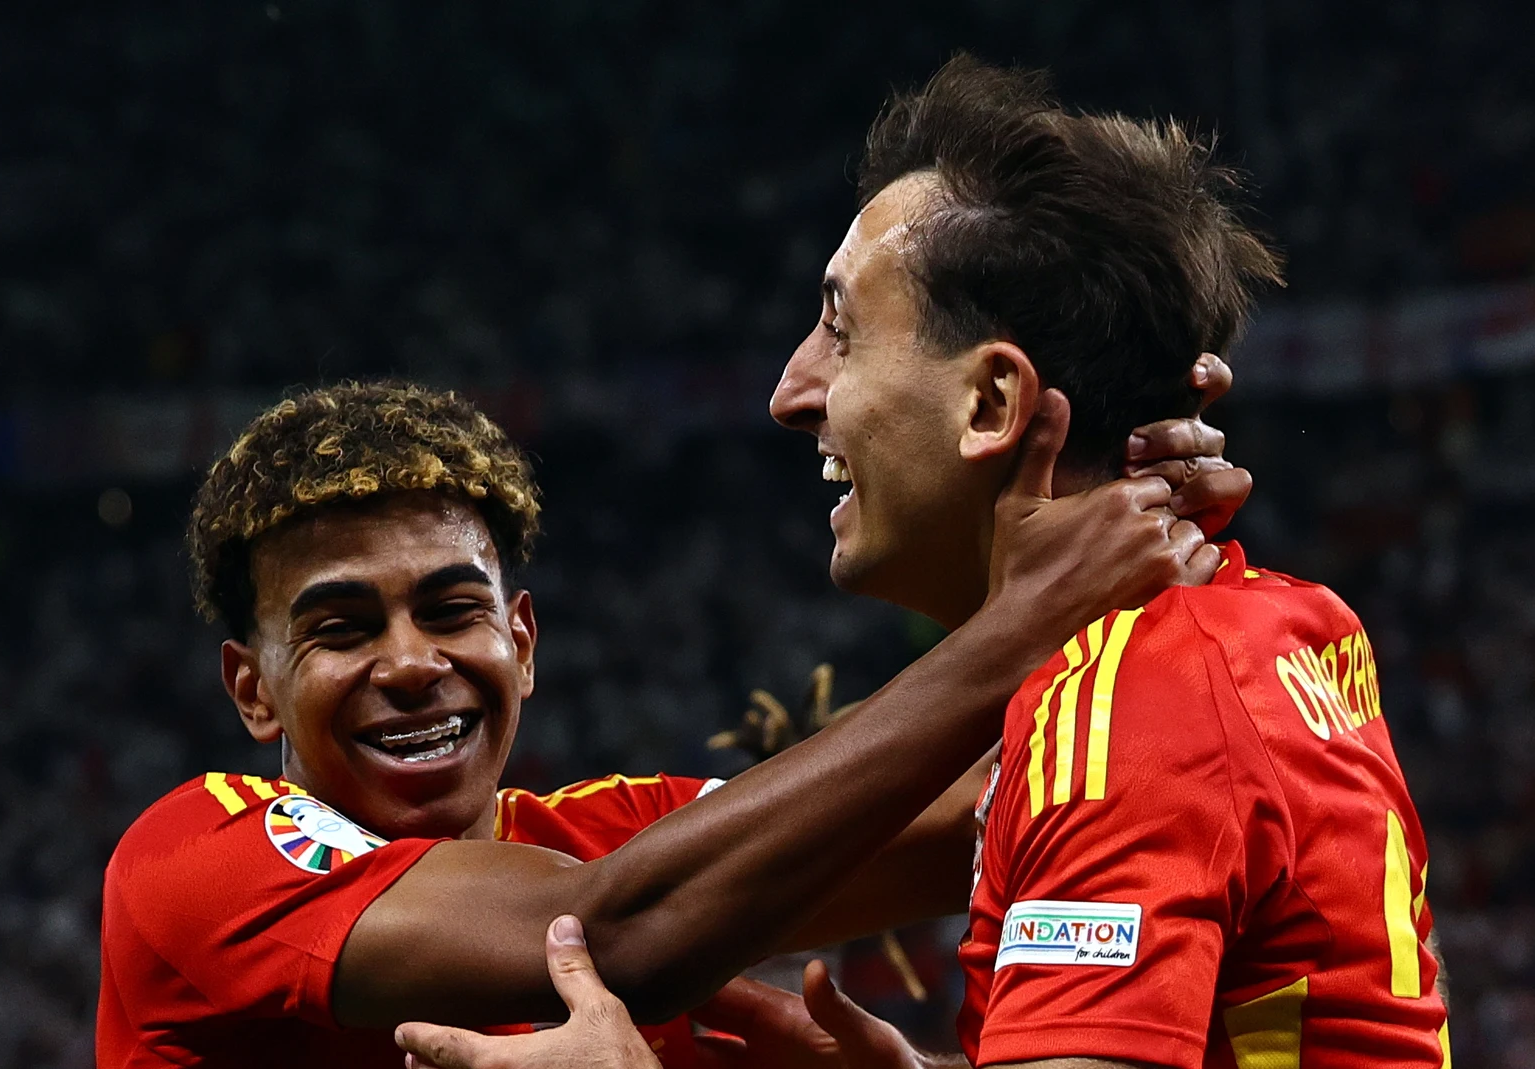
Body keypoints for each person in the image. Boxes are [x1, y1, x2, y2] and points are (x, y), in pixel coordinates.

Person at [402, 55, 1450, 1069]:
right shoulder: (1290, 621)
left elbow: (618, 928)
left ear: (990, 404)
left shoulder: (1128, 705)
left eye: (840, 332)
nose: (790, 390)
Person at [96, 376, 1247, 1067]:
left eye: (452, 610)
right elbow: (620, 930)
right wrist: (1027, 618)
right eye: (343, 627)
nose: (411, 663)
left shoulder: (610, 836)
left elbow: (980, 819)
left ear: (523, 644)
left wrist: (1138, 503)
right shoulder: (197, 862)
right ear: (254, 689)